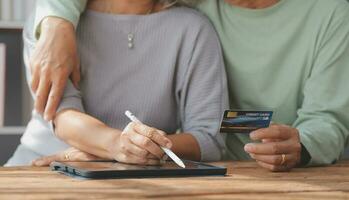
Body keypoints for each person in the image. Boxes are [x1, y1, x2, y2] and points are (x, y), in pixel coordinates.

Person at [10, 0, 349, 172]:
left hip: (259, 166)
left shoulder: (332, 12)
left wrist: (294, 139)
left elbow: (326, 117)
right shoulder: (194, 6)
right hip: (179, 165)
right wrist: (56, 20)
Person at [5, 0, 229, 166]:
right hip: (44, 165)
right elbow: (62, 117)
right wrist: (114, 146)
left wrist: (137, 149)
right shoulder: (52, 24)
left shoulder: (193, 29)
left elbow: (209, 140)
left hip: (138, 177)